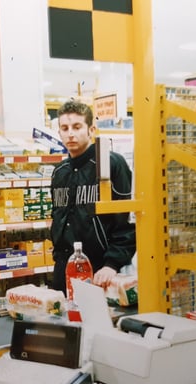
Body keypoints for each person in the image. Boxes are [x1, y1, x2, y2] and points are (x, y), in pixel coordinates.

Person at [49, 100, 136, 293]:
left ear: (91, 129)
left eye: (77, 127)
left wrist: (112, 264)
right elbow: (58, 218)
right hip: (64, 268)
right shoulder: (59, 172)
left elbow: (127, 221)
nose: (70, 133)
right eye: (65, 128)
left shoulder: (111, 164)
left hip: (101, 271)